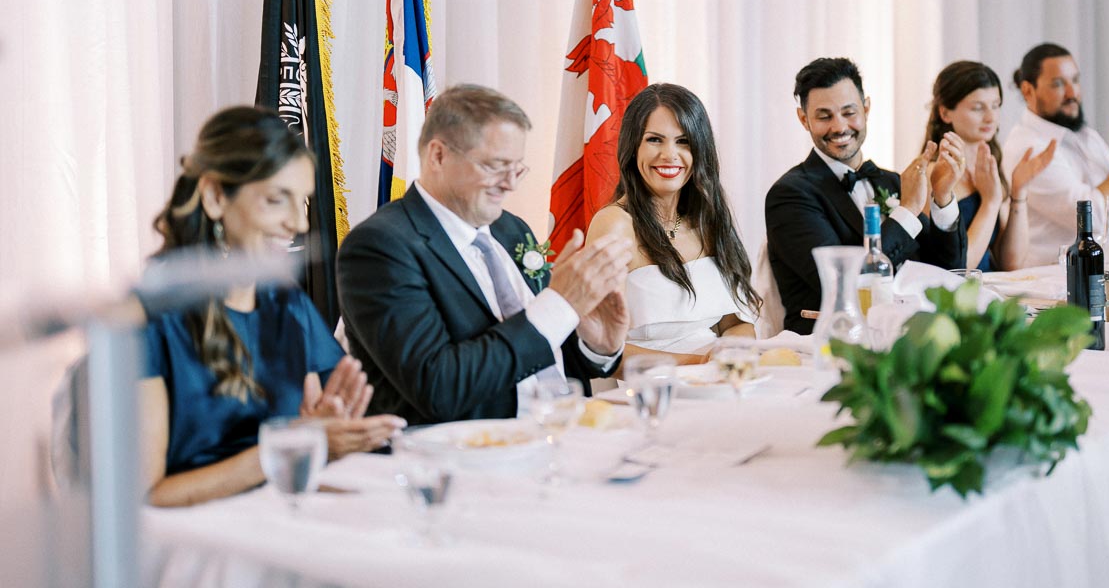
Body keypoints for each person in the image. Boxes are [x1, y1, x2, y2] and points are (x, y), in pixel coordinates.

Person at [141, 106, 403, 508]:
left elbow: (326, 421)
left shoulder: (287, 304)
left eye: (304, 203)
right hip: (191, 539)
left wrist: (327, 427)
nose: (299, 224)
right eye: (277, 200)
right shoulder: (148, 320)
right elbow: (148, 496)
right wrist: (292, 443)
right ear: (214, 196)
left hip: (277, 513)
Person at [337, 84, 633, 425]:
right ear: (438, 156)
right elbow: (439, 388)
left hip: (559, 435)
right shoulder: (380, 248)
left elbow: (536, 351)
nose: (510, 184)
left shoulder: (513, 230)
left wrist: (595, 344)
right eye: (496, 166)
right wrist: (559, 304)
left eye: (517, 169)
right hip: (460, 457)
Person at [766, 57, 967, 334]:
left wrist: (942, 198)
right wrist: (907, 210)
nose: (839, 127)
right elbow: (841, 285)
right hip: (831, 344)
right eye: (824, 116)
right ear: (804, 119)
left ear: (866, 109)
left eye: (849, 112)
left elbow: (949, 272)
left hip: (909, 336)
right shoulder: (789, 195)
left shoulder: (892, 181)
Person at [587, 84, 760, 363]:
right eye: (655, 140)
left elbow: (735, 323)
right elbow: (601, 351)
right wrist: (701, 365)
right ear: (633, 147)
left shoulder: (707, 217)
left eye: (683, 141)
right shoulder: (614, 225)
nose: (670, 155)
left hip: (717, 383)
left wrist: (731, 357)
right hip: (648, 390)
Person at [1001, 43, 1109, 266]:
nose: (1073, 93)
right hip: (1055, 286)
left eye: (1075, 80)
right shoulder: (1027, 147)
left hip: (1103, 274)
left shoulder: (1085, 136)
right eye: (1058, 84)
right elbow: (1095, 219)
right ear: (1028, 90)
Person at [923, 61, 1057, 271]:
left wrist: (1018, 192)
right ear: (945, 113)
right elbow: (959, 267)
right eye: (978, 108)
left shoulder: (988, 164)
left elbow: (1010, 262)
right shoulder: (935, 175)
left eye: (995, 106)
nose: (990, 117)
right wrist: (990, 202)